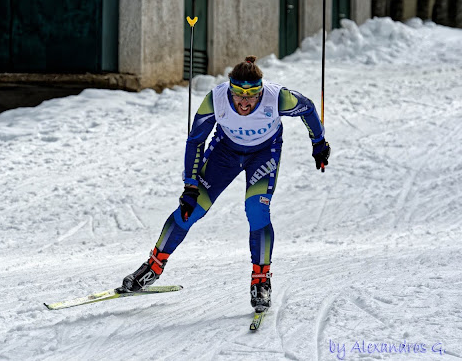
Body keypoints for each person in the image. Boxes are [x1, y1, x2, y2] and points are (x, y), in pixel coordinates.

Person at [120, 55, 331, 313]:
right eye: (238, 95)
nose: (244, 102)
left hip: (263, 153)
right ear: (229, 90)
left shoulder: (277, 98)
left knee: (257, 211)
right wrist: (189, 186)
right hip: (224, 153)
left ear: (261, 90)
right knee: (191, 209)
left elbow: (308, 107)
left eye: (251, 95)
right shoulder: (217, 98)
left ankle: (261, 280)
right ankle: (153, 267)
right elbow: (195, 140)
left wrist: (319, 142)